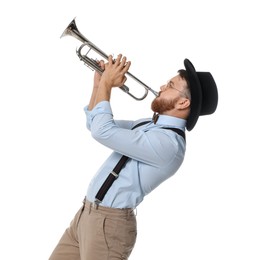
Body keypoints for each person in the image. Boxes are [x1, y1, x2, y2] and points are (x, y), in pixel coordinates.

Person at [49, 54, 218, 260]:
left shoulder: (169, 145)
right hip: (86, 214)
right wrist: (99, 84)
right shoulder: (149, 125)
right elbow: (94, 125)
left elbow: (102, 131)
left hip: (108, 225)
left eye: (170, 85)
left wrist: (108, 86)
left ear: (183, 102)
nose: (162, 87)